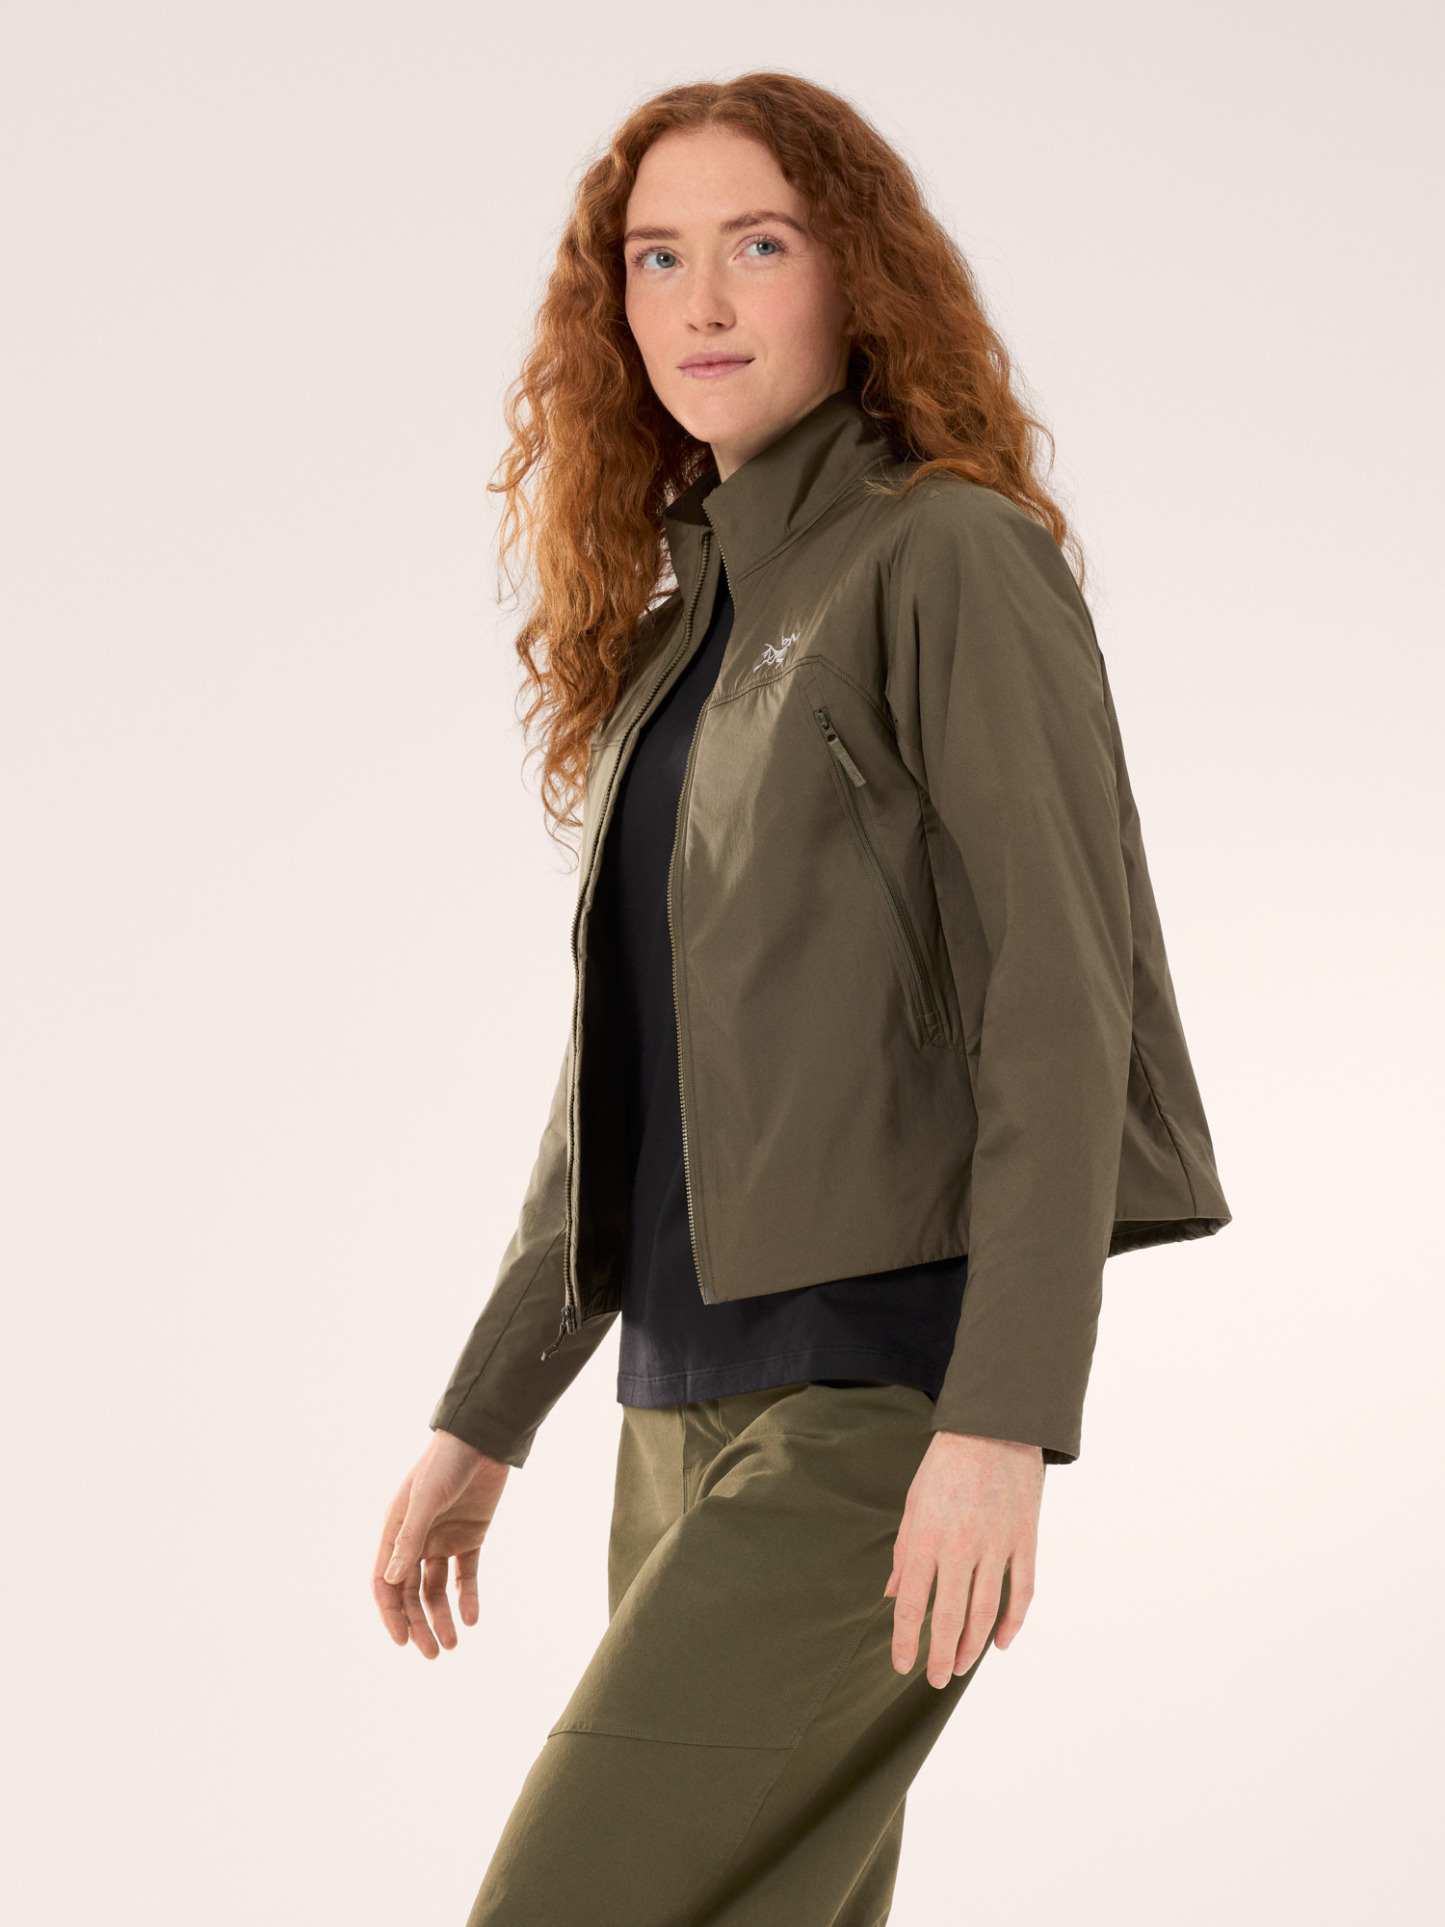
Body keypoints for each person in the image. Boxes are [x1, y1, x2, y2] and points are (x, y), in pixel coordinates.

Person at [371, 71, 1230, 1925]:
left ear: (855, 273)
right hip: (678, 1406)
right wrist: (487, 1411)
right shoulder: (679, 635)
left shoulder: (949, 554)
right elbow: (623, 1085)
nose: (701, 302)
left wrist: (1001, 1421)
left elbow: (1060, 999)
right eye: (655, 258)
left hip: (874, 1399)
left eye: (757, 245)